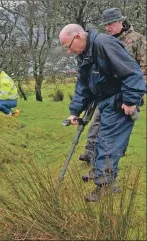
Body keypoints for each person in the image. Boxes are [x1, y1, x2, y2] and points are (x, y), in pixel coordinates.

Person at [59, 24, 145, 201]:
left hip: (119, 101)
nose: (69, 51)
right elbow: (83, 85)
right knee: (100, 141)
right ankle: (106, 182)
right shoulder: (84, 53)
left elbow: (132, 72)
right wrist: (75, 111)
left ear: (78, 37)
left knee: (108, 143)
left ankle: (104, 186)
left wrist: (130, 100)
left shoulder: (104, 44)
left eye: (68, 46)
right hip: (105, 100)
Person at [79, 8, 147, 165]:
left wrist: (134, 97)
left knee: (117, 133)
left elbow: (144, 70)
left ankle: (106, 166)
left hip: (127, 94)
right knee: (97, 123)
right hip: (106, 93)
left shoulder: (138, 40)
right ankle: (90, 154)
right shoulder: (101, 41)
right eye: (105, 25)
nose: (107, 28)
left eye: (110, 24)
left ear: (121, 22)